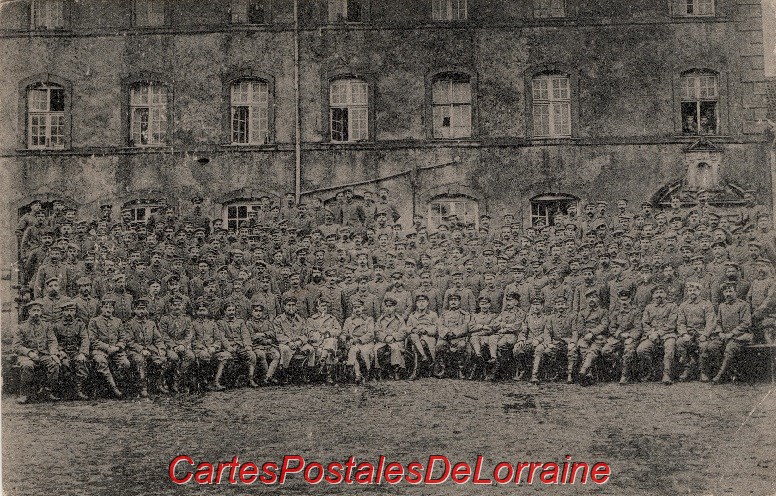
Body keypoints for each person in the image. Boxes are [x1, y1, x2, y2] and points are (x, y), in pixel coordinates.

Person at [13, 300, 61, 404]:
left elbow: (52, 341)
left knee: (54, 363)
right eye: (34, 310)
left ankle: (47, 391)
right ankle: (24, 394)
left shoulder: (47, 326)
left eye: (38, 311)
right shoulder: (21, 327)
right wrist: (29, 353)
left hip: (43, 354)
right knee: (27, 365)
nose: (36, 313)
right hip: (26, 356)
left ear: (41, 312)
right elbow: (16, 346)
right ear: (29, 312)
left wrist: (53, 353)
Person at [123, 298, 167, 397]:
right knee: (140, 360)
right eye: (139, 309)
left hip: (151, 349)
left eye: (143, 309)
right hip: (134, 350)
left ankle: (158, 383)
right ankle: (143, 386)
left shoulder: (151, 323)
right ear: (134, 310)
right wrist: (141, 349)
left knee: (162, 359)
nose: (141, 311)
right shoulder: (129, 324)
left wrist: (161, 349)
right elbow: (129, 341)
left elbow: (158, 339)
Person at [711, 282, 753, 383]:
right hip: (725, 336)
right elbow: (718, 322)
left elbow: (746, 323)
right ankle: (728, 372)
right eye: (726, 292)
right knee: (712, 347)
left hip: (741, 336)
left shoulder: (743, 305)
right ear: (723, 293)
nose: (728, 294)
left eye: (730, 291)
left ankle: (720, 375)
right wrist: (720, 332)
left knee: (730, 348)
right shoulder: (722, 306)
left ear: (736, 292)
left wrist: (732, 333)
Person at [637, 285, 679, 385]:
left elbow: (671, 324)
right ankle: (652, 371)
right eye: (656, 293)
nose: (658, 295)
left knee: (669, 347)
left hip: (668, 334)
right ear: (652, 296)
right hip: (652, 335)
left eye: (661, 292)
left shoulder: (672, 306)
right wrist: (650, 334)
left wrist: (658, 333)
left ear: (665, 294)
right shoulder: (649, 307)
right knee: (641, 350)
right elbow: (644, 323)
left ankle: (666, 374)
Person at [88, 296, 129, 397]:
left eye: (110, 307)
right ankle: (113, 388)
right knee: (101, 361)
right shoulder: (94, 321)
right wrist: (107, 347)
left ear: (113, 309)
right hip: (100, 350)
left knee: (125, 363)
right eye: (105, 307)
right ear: (101, 308)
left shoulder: (118, 321)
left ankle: (117, 383)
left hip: (116, 350)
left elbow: (123, 338)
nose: (108, 310)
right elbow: (93, 339)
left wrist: (117, 347)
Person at [676, 281, 716, 382]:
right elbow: (680, 323)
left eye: (695, 290)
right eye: (690, 290)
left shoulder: (707, 304)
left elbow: (710, 322)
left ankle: (703, 371)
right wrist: (684, 334)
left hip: (702, 333)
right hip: (689, 333)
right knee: (680, 342)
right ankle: (687, 369)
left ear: (700, 291)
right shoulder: (683, 305)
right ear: (687, 292)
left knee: (704, 346)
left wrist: (705, 335)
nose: (692, 292)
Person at [51, 299, 90, 400]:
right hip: (62, 352)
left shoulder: (80, 324)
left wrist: (82, 353)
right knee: (64, 365)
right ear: (62, 312)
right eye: (67, 311)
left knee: (81, 363)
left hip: (76, 351)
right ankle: (64, 391)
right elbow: (53, 340)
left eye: (72, 311)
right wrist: (59, 351)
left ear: (75, 312)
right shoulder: (56, 325)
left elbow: (85, 339)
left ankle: (78, 390)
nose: (69, 313)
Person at [436, 293, 471, 379]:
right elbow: (440, 325)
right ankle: (443, 368)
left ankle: (461, 369)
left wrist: (454, 333)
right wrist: (447, 333)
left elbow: (465, 326)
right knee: (440, 345)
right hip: (446, 338)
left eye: (455, 300)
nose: (453, 302)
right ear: (448, 302)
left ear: (459, 302)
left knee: (462, 345)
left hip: (459, 338)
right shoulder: (444, 314)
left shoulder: (465, 314)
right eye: (451, 300)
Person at [406, 294, 439, 380]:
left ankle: (416, 371)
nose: (421, 304)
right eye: (419, 302)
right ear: (416, 304)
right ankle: (423, 356)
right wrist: (413, 329)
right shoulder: (412, 315)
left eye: (423, 301)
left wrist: (425, 330)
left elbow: (436, 328)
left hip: (427, 336)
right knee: (414, 336)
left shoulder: (433, 314)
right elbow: (407, 327)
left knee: (417, 345)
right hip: (415, 336)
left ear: (427, 303)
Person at [373, 296, 407, 379]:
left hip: (395, 341)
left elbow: (403, 332)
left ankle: (396, 370)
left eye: (390, 306)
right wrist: (385, 337)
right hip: (383, 341)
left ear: (394, 307)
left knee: (395, 348)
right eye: (387, 306)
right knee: (376, 349)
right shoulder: (380, 319)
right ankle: (379, 370)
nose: (388, 308)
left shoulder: (400, 319)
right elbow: (377, 332)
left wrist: (393, 337)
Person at [343, 299, 375, 384]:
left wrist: (359, 340)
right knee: (353, 351)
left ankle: (366, 373)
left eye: (359, 307)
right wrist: (347, 339)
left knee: (365, 352)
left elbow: (370, 334)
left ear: (362, 308)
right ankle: (357, 375)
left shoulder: (369, 319)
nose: (357, 309)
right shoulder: (349, 320)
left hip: (365, 343)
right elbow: (344, 332)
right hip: (353, 342)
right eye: (355, 307)